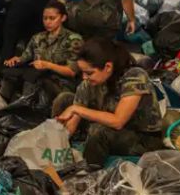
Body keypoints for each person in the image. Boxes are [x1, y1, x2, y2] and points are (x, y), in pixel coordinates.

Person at [55, 38, 164, 167]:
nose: (84, 77)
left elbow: (118, 121)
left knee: (98, 131)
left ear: (107, 67)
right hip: (110, 129)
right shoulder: (89, 84)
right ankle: (60, 156)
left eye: (89, 73)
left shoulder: (134, 76)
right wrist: (58, 140)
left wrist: (76, 109)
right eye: (82, 72)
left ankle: (91, 174)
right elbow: (74, 119)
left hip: (142, 139)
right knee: (65, 100)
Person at [0, 0, 83, 102]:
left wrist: (47, 65)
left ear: (63, 18)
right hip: (37, 77)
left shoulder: (73, 40)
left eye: (52, 18)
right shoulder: (38, 38)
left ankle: (26, 111)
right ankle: (2, 107)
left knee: (32, 78)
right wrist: (16, 60)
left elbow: (71, 72)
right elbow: (25, 57)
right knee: (10, 75)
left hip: (61, 84)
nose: (47, 22)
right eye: (45, 18)